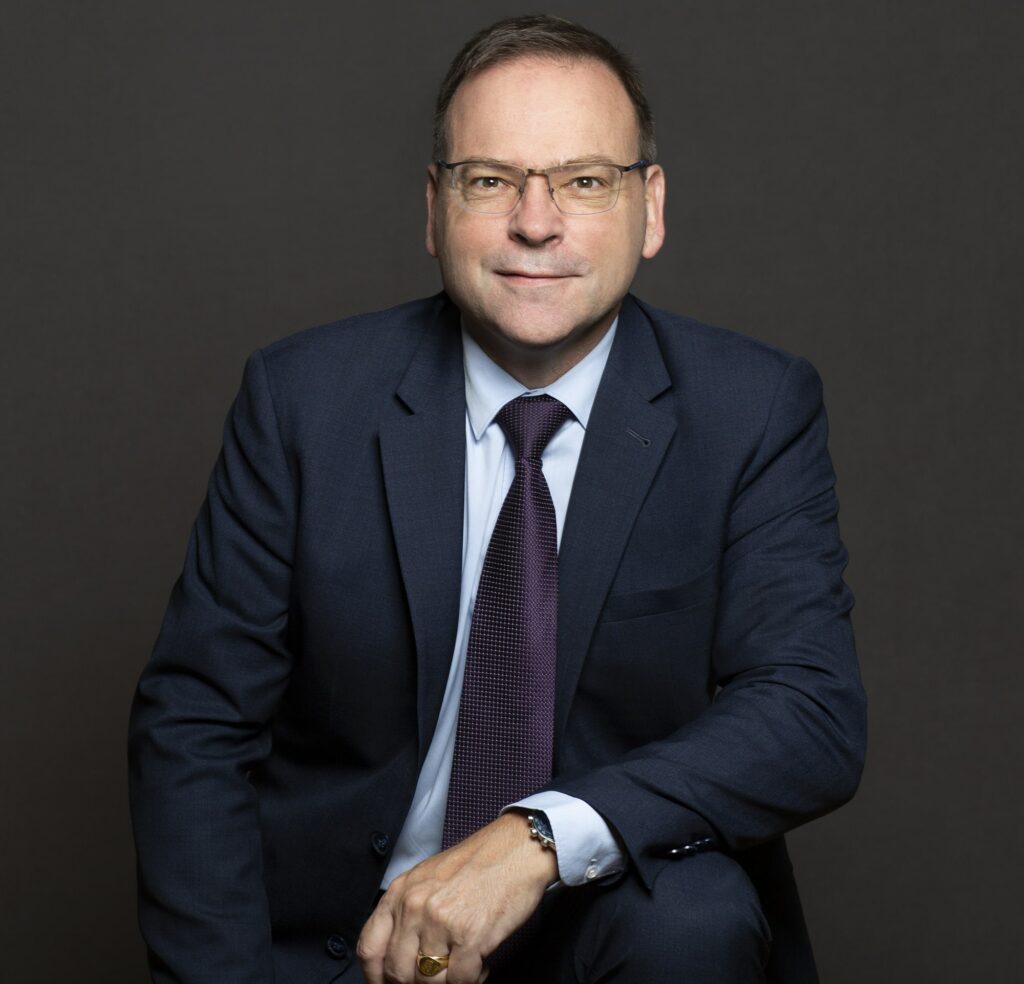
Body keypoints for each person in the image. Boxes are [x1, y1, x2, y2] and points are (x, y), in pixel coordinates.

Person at [128, 14, 866, 984]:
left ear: (649, 209)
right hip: (350, 946)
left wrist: (536, 838)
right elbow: (195, 724)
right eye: (490, 181)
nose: (536, 222)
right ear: (434, 209)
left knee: (694, 916)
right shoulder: (305, 401)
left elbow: (809, 712)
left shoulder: (751, 410)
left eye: (584, 181)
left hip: (607, 928)